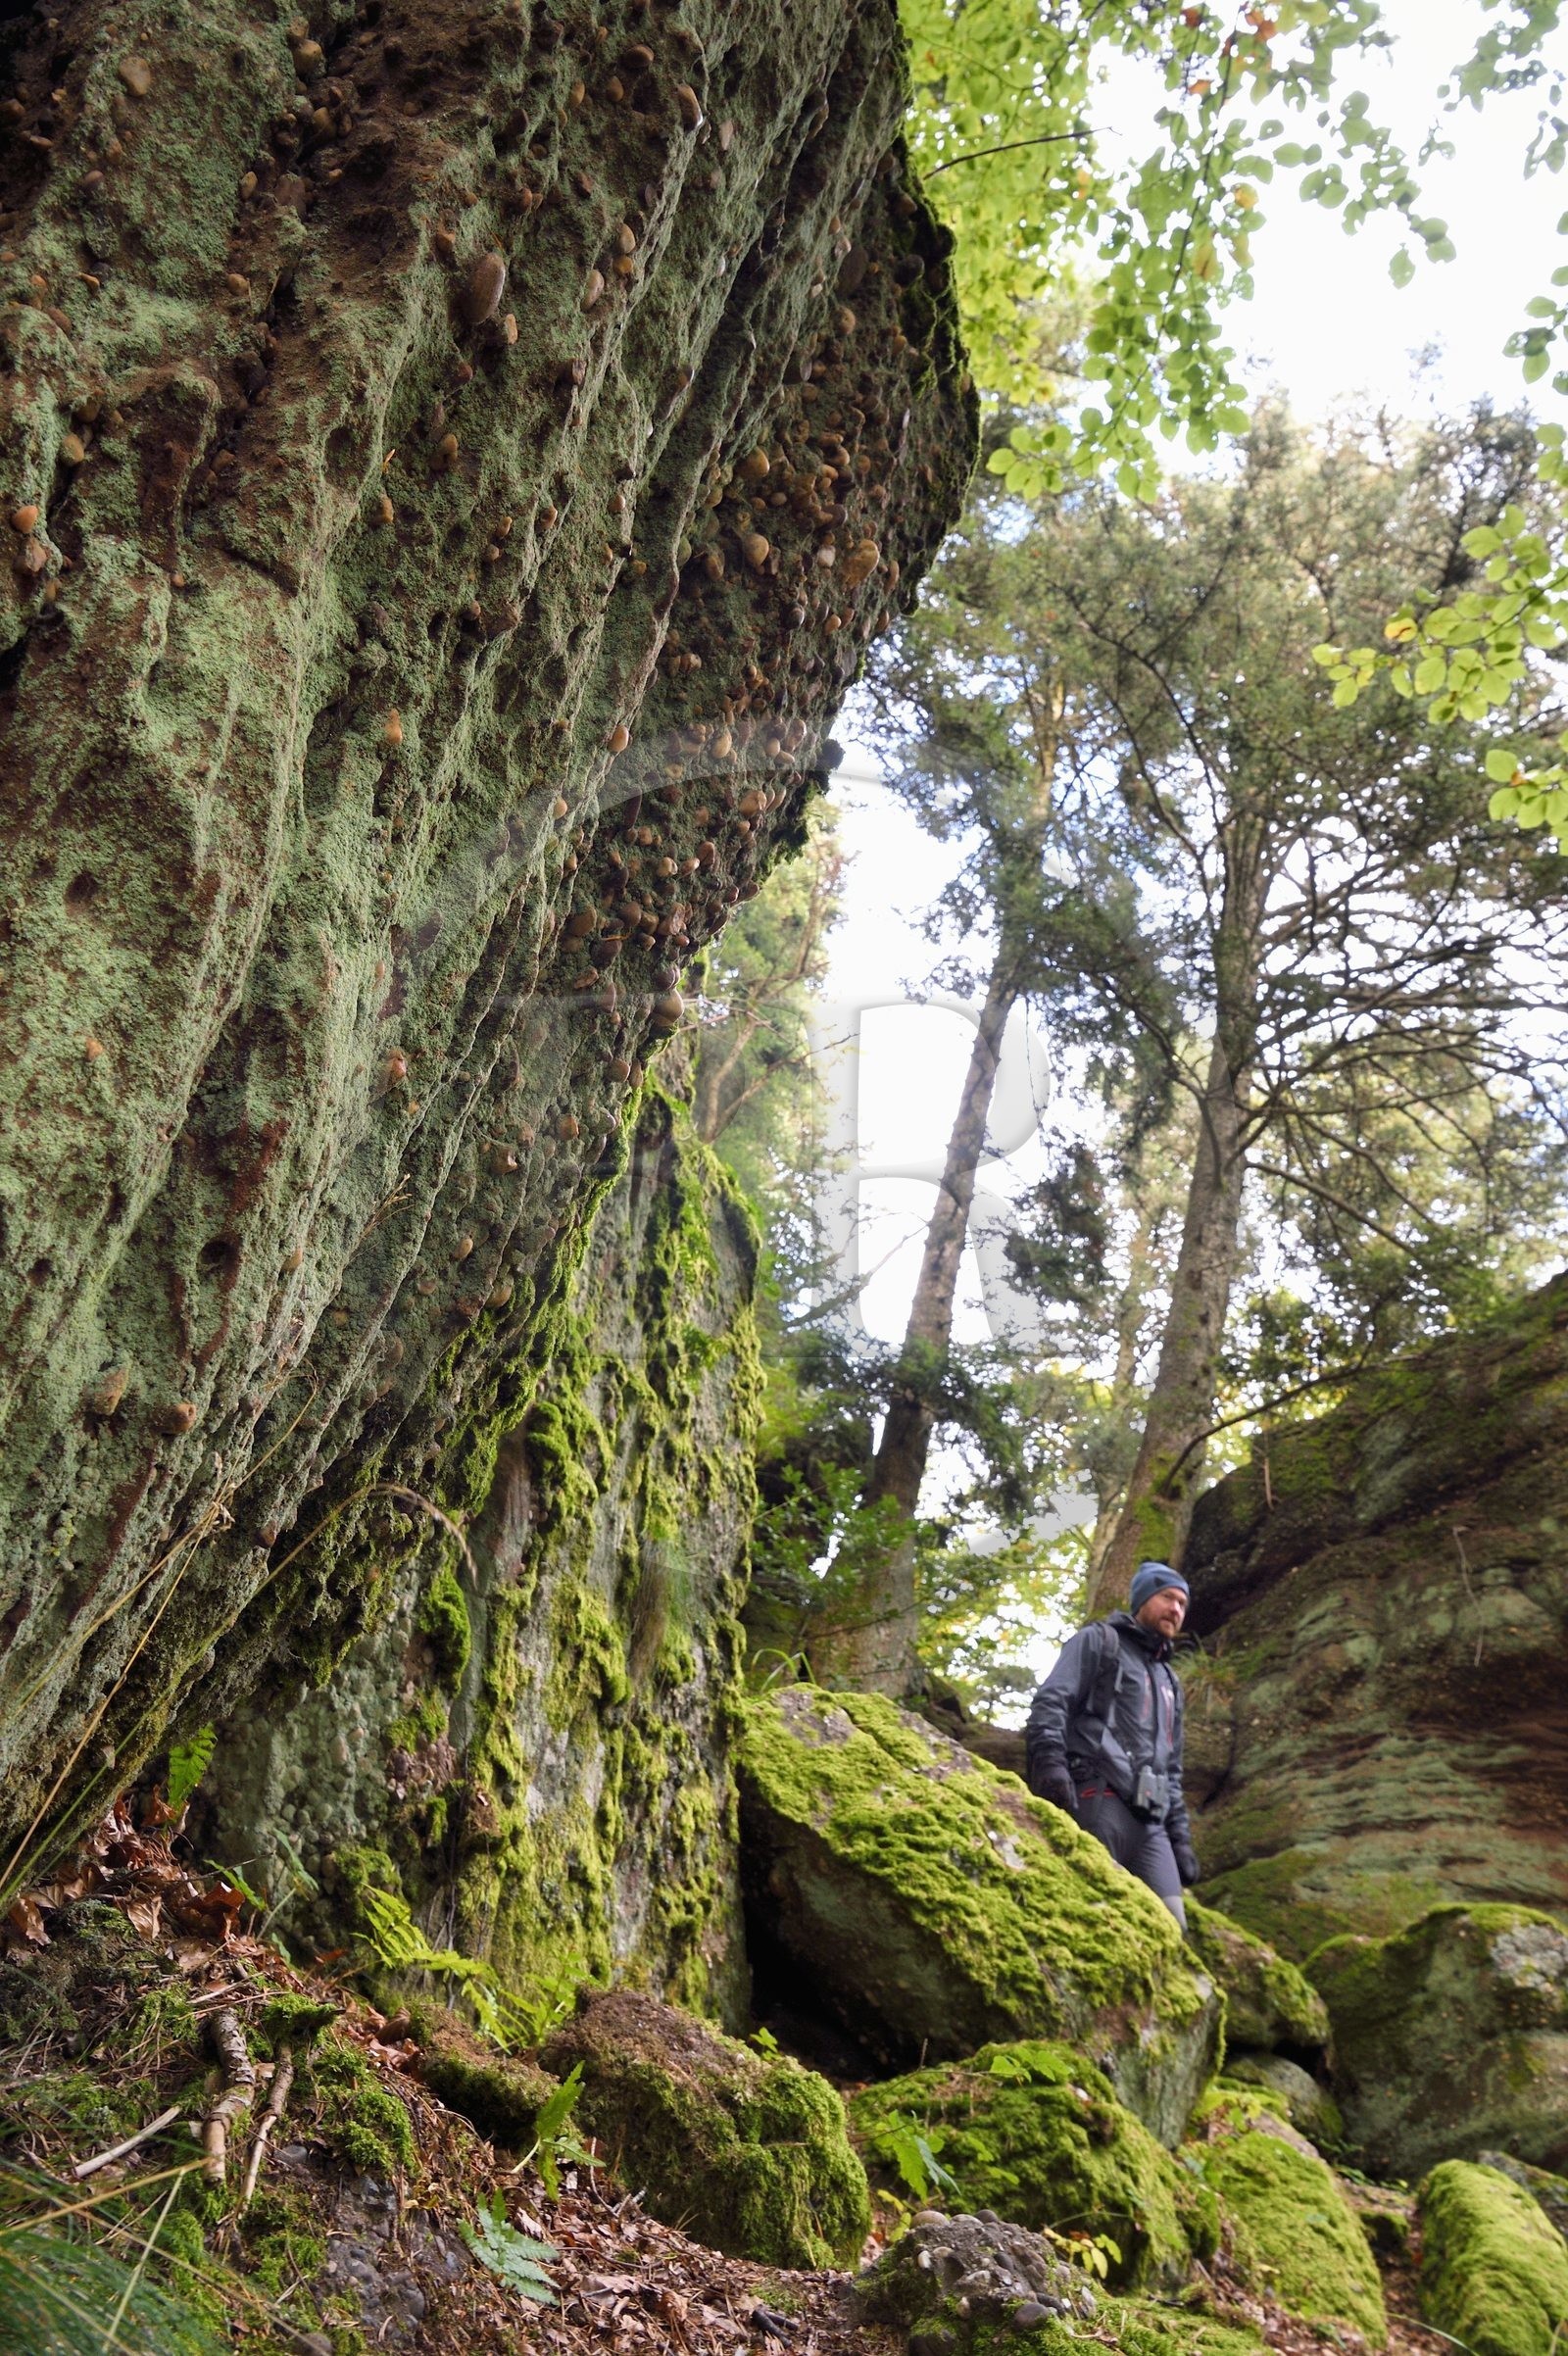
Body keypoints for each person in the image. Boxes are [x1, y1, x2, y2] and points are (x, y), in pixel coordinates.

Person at [1023, 1560, 1200, 1928]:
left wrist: (1180, 1836)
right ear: (1143, 1598)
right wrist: (1050, 1765)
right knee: (1092, 1913)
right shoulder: (1100, 1641)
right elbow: (1051, 1701)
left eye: (1183, 1604)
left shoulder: (1170, 1680)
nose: (1176, 1609)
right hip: (1097, 1798)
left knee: (1171, 1927)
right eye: (1167, 1597)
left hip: (1151, 1824)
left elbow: (1172, 1768)